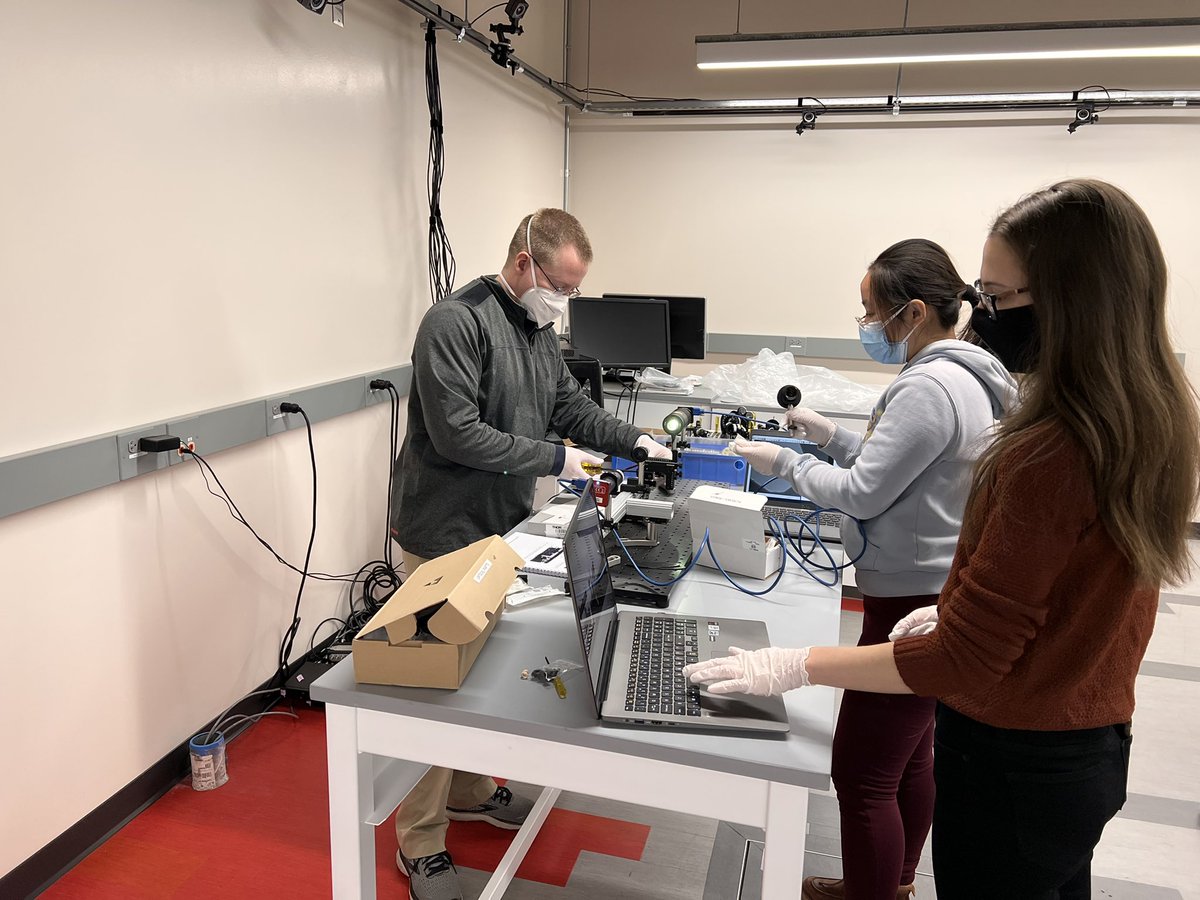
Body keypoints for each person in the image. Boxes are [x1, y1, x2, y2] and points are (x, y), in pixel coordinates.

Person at [686, 179, 1200, 900]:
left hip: (1015, 763)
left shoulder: (1045, 450)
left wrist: (796, 663)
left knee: (869, 771)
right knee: (915, 768)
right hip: (1085, 743)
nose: (980, 314)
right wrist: (960, 604)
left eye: (994, 297)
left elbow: (954, 641)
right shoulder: (1146, 421)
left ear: (1071, 299)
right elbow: (1071, 592)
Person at [389, 207, 671, 900]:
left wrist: (633, 440)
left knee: (479, 672)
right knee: (434, 689)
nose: (565, 301)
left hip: (500, 526)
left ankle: (470, 788)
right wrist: (557, 459)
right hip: (442, 534)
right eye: (561, 286)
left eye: (574, 290)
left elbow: (571, 407)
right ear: (524, 264)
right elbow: (457, 434)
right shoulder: (454, 323)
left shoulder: (537, 329)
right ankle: (419, 839)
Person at [734, 239, 1017, 900]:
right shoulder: (966, 373)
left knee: (862, 774)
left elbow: (863, 492)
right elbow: (901, 464)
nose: (866, 325)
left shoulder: (928, 384)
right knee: (911, 757)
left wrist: (785, 465)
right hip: (929, 581)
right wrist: (827, 436)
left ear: (914, 311)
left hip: (904, 600)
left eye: (871, 312)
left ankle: (876, 890)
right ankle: (893, 883)